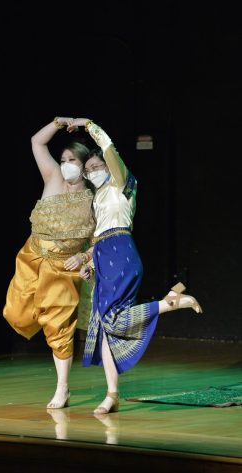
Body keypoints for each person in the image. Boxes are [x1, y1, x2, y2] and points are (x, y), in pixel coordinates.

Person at [67, 118, 203, 415]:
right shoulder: (98, 197)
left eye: (96, 167)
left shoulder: (122, 183)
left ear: (108, 166)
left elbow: (109, 149)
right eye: (87, 171)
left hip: (122, 254)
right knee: (105, 327)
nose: (92, 173)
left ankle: (171, 303)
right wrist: (88, 262)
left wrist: (89, 125)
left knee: (112, 321)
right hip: (105, 255)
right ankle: (111, 395)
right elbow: (98, 238)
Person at [3, 117, 96, 409]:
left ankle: (62, 388)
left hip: (62, 266)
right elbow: (37, 142)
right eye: (63, 158)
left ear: (84, 164)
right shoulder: (53, 177)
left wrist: (85, 258)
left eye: (72, 159)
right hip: (31, 257)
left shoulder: (94, 198)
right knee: (16, 315)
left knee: (58, 326)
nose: (66, 163)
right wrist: (59, 123)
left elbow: (99, 241)